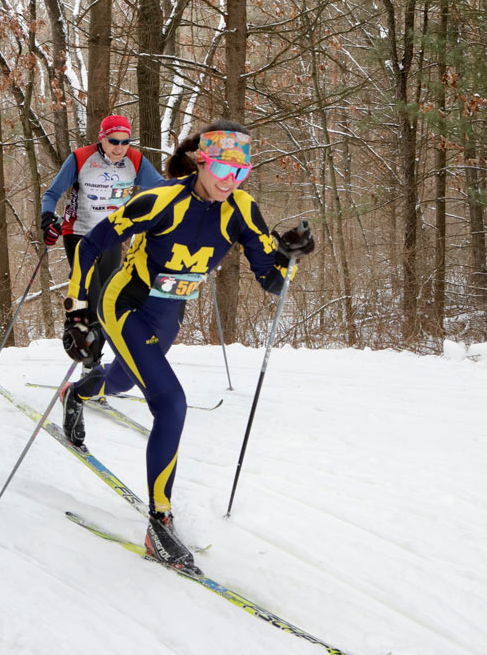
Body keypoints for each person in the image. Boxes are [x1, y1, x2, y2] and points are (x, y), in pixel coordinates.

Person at [60, 120, 314, 572]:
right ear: (201, 160)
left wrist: (288, 258)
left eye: (241, 172)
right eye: (221, 168)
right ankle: (159, 522)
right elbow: (91, 245)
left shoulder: (242, 210)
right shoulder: (160, 200)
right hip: (126, 305)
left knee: (120, 382)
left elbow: (272, 283)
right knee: (170, 402)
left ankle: (77, 394)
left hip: (168, 314)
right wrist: (78, 311)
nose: (229, 180)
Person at [40, 114, 164, 364]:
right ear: (102, 138)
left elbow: (162, 189)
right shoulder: (81, 158)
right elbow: (52, 194)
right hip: (78, 235)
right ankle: (90, 364)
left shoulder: (135, 161)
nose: (119, 147)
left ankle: (94, 359)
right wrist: (47, 220)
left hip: (111, 237)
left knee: (109, 301)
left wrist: (193, 200)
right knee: (92, 298)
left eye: (125, 142)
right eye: (113, 141)